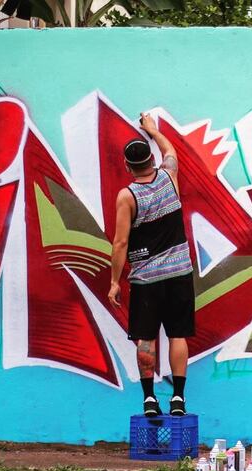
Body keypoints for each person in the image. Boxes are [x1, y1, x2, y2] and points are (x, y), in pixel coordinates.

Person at [108, 113, 194, 417]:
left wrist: (115, 281)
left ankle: (149, 398)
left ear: (128, 166)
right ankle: (178, 398)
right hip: (180, 273)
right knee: (177, 335)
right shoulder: (170, 176)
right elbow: (171, 152)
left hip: (146, 279)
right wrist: (153, 131)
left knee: (146, 338)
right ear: (150, 160)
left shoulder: (127, 196)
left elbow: (120, 243)